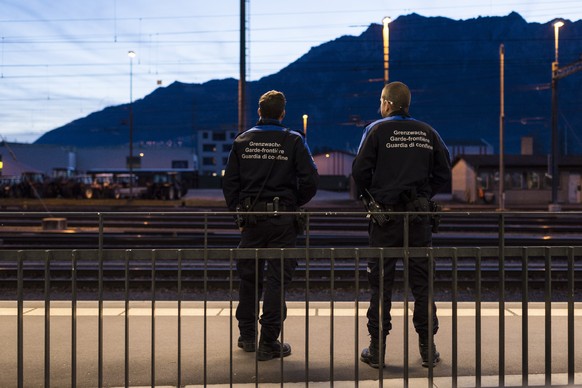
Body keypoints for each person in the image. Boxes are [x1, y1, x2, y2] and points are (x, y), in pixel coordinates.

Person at [352, 81, 451, 369]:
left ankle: (377, 350)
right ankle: (427, 349)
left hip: (385, 221)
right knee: (423, 287)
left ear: (386, 103)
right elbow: (443, 171)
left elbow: (359, 171)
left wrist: (376, 194)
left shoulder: (376, 130)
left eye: (380, 102)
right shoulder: (427, 132)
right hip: (418, 221)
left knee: (381, 286)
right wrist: (422, 196)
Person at [222, 90, 319, 361]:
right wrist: (292, 204)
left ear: (259, 112)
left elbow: (229, 183)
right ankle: (268, 343)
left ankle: (247, 336)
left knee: (249, 278)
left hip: (251, 222)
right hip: (282, 221)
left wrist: (239, 215)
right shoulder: (293, 140)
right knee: (276, 280)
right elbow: (311, 179)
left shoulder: (243, 140)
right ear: (282, 113)